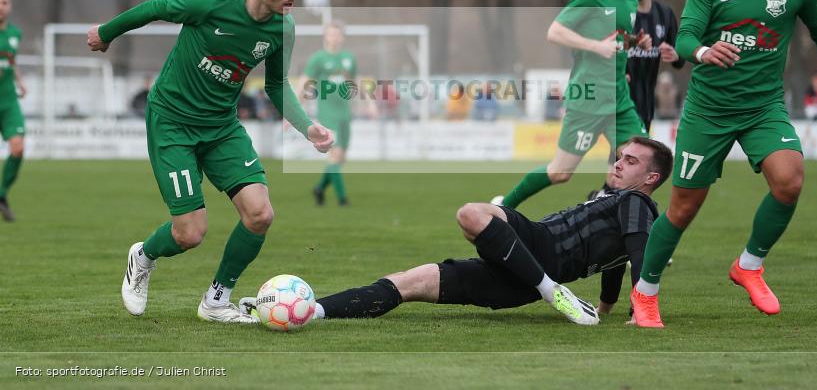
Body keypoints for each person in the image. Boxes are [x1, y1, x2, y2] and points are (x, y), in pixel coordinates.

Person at [630, 0, 817, 328]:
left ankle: (749, 265)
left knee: (789, 180)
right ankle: (645, 293)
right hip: (707, 111)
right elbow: (688, 33)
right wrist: (703, 50)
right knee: (683, 207)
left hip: (763, 108)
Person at [87, 0, 334, 324]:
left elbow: (276, 84)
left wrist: (308, 127)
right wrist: (107, 32)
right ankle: (144, 256)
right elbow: (155, 8)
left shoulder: (283, 27)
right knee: (190, 233)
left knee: (260, 214)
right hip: (172, 123)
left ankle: (217, 301)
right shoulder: (208, 3)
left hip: (221, 126)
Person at [242, 137, 673, 325]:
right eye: (619, 156)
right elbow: (618, 256)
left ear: (651, 179)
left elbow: (638, 255)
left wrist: (642, 312)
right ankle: (310, 310)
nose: (618, 162)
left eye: (631, 161)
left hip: (539, 253)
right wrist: (607, 305)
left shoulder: (636, 203)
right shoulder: (614, 198)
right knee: (412, 282)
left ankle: (549, 289)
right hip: (525, 263)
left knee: (472, 213)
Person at [492, 0, 650, 209]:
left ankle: (628, 235)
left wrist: (637, 42)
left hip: (619, 100)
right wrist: (595, 46)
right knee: (560, 172)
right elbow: (555, 32)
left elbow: (616, 39)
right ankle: (504, 205)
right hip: (587, 100)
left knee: (642, 164)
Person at [299, 20, 363, 206]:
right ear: (325, 36)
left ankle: (319, 188)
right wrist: (295, 108)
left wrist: (368, 103)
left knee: (341, 158)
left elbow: (355, 80)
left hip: (345, 113)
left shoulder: (348, 58)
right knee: (334, 155)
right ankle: (343, 200)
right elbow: (305, 82)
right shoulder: (318, 59)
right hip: (327, 113)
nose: (334, 38)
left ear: (341, 37)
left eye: (337, 34)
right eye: (331, 34)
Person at [625, 0, 685, 130]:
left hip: (647, 104)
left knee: (631, 154)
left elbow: (680, 59)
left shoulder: (665, 14)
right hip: (618, 101)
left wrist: (675, 55)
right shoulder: (614, 12)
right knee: (628, 151)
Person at [0, 0, 26, 223]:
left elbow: (11, 61)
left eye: (5, 2)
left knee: (18, 149)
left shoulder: (14, 34)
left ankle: (1, 194)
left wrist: (20, 81)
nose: (1, 6)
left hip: (8, 101)